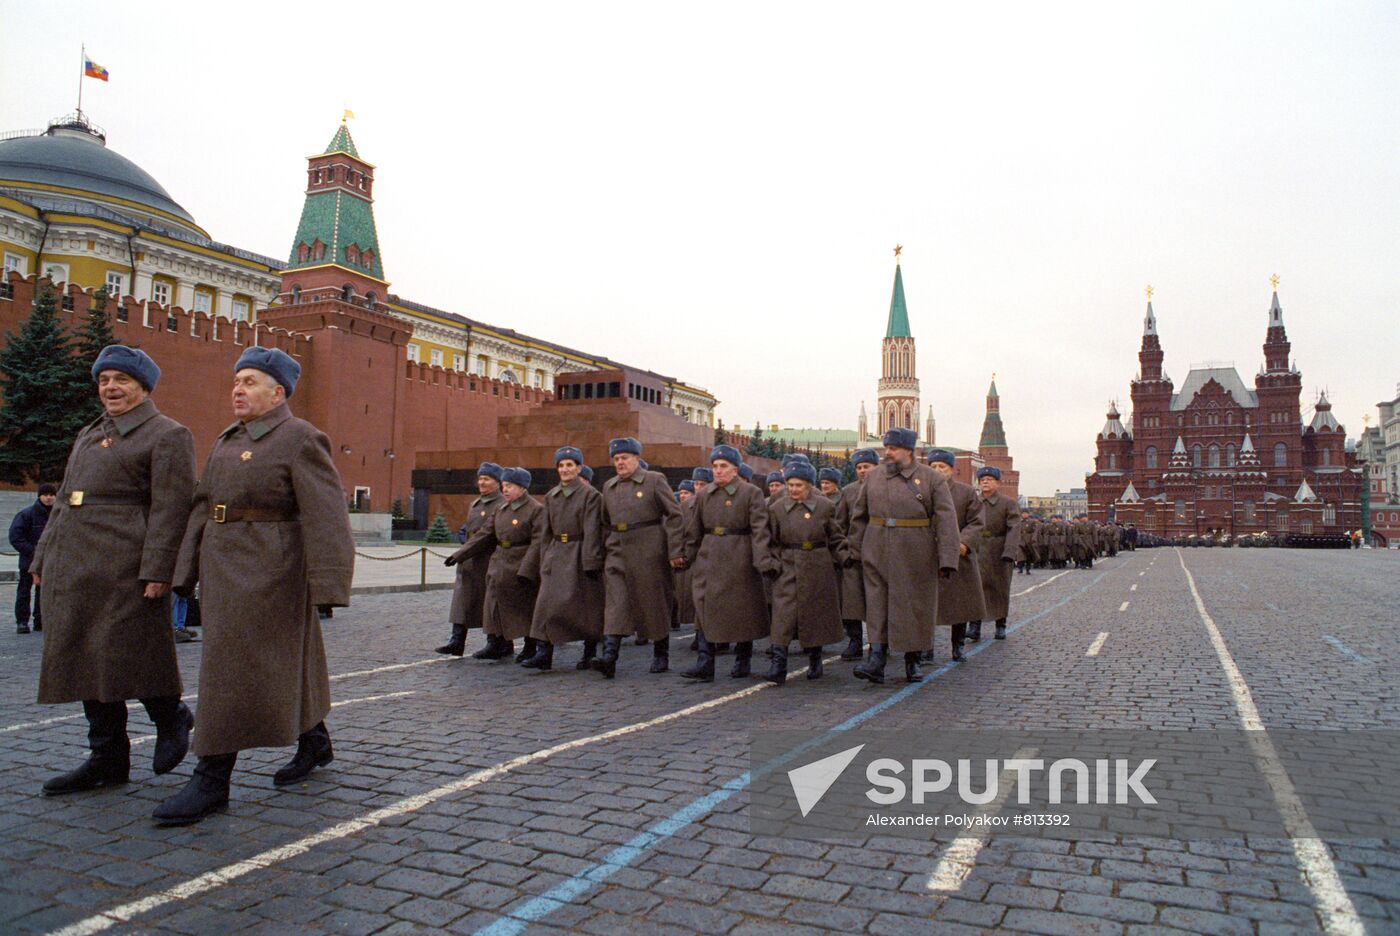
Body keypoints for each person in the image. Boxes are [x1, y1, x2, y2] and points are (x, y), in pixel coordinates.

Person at [154, 346, 355, 825]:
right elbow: (204, 504)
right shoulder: (229, 439)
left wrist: (328, 584)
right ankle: (315, 740)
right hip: (225, 566)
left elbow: (326, 516)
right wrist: (185, 569)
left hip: (270, 571)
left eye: (249, 381)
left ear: (278, 391)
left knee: (233, 668)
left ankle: (212, 777)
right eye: (236, 380)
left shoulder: (301, 438)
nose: (237, 389)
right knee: (281, 662)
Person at [30, 346, 196, 796]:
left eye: (121, 380)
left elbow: (171, 507)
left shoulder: (166, 434)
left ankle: (171, 716)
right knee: (86, 656)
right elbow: (64, 499)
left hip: (127, 562)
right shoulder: (89, 433)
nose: (110, 388)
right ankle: (107, 758)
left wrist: (160, 568)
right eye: (104, 380)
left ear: (143, 386)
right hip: (76, 562)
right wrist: (42, 557)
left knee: (132, 650)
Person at [848, 428, 959, 683]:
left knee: (914, 605)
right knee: (876, 603)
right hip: (876, 548)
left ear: (908, 450)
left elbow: (946, 520)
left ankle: (913, 659)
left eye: (893, 448)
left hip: (916, 550)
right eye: (886, 448)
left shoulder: (932, 479)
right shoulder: (873, 477)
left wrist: (947, 559)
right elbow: (859, 516)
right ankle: (876, 658)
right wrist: (856, 550)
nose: (887, 453)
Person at [682, 445, 775, 681]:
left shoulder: (750, 493)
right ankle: (705, 663)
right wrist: (687, 556)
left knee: (742, 610)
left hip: (740, 556)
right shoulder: (704, 495)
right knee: (704, 606)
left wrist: (761, 558)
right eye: (714, 466)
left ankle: (742, 659)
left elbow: (759, 529)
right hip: (709, 556)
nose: (718, 471)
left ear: (735, 469)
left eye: (723, 466)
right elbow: (694, 529)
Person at [595, 438, 685, 678]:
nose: (620, 463)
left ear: (637, 458)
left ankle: (660, 653)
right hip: (617, 551)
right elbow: (604, 521)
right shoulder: (609, 487)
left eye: (625, 458)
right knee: (616, 603)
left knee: (653, 602)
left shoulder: (654, 481)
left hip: (649, 550)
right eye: (616, 459)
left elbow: (675, 515)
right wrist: (606, 547)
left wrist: (674, 549)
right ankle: (609, 657)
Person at [519, 448, 604, 671]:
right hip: (556, 553)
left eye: (570, 465)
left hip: (579, 553)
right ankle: (543, 652)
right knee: (544, 603)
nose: (565, 469)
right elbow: (545, 532)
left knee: (586, 606)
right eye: (561, 465)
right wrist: (545, 558)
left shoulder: (591, 496)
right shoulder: (551, 496)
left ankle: (589, 651)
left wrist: (591, 561)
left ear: (579, 468)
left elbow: (593, 530)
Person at [447, 468, 543, 664]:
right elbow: (484, 535)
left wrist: (527, 568)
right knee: (494, 605)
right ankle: (497, 644)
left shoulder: (535, 509)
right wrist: (459, 554)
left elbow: (538, 541)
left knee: (524, 607)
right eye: (505, 485)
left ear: (523, 488)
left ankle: (530, 646)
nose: (505, 490)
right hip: (499, 563)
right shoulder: (502, 509)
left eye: (510, 486)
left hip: (521, 562)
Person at [765, 462, 845, 684]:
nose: (793, 489)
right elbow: (769, 540)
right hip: (787, 564)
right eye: (790, 484)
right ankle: (778, 664)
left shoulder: (825, 507)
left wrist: (845, 557)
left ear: (809, 485)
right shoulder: (776, 509)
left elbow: (835, 537)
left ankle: (815, 659)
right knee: (782, 614)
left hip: (817, 564)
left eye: (798, 485)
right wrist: (771, 563)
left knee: (814, 613)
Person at [438, 463, 504, 656]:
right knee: (461, 602)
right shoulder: (475, 504)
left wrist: (462, 551)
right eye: (480, 478)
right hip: (468, 560)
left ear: (498, 483)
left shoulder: (500, 504)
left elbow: (486, 534)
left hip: (486, 560)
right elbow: (467, 529)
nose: (482, 482)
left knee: (489, 603)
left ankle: (497, 642)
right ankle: (457, 640)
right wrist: (463, 539)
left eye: (487, 479)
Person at [926, 450, 985, 663]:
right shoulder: (921, 492)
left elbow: (977, 521)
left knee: (959, 605)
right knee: (926, 603)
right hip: (928, 556)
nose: (938, 471)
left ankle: (958, 645)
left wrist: (964, 543)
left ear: (952, 469)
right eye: (933, 467)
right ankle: (925, 648)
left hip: (959, 556)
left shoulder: (966, 493)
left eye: (943, 467)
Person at [835, 448, 878, 661]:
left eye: (866, 467)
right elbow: (839, 525)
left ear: (876, 467)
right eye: (859, 468)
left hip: (879, 555)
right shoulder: (848, 491)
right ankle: (855, 641)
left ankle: (880, 644)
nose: (862, 471)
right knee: (852, 602)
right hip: (853, 556)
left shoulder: (885, 489)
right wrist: (843, 551)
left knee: (877, 602)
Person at [974, 466, 1021, 642]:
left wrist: (1009, 551)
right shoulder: (973, 502)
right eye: (982, 480)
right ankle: (974, 625)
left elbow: (1014, 528)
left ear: (998, 483)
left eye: (989, 480)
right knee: (975, 589)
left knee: (1000, 588)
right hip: (976, 548)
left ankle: (1000, 625)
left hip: (998, 550)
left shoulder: (1008, 503)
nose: (985, 482)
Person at [8, 482, 55, 634]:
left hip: (49, 561)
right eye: (45, 495)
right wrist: (35, 551)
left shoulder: (57, 516)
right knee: (24, 590)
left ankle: (40, 621)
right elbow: (16, 537)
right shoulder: (26, 514)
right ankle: (22, 622)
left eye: (51, 495)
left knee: (43, 592)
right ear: (39, 496)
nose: (48, 498)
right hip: (28, 560)